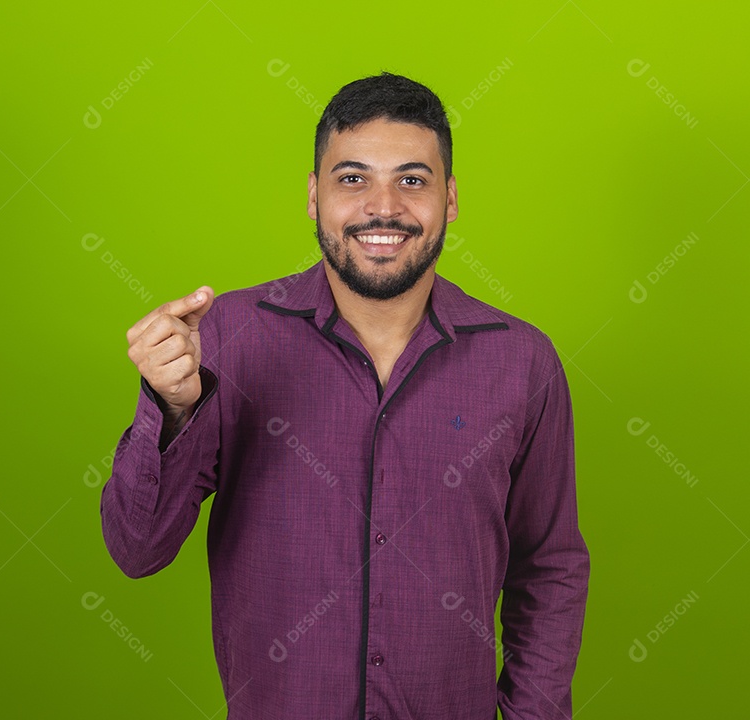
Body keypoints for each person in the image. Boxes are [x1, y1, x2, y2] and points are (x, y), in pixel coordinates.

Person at [100, 71, 589, 720]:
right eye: (352, 178)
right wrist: (172, 406)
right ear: (313, 196)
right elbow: (137, 549)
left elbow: (549, 567)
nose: (382, 207)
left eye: (412, 180)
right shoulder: (228, 339)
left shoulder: (523, 360)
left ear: (450, 199)